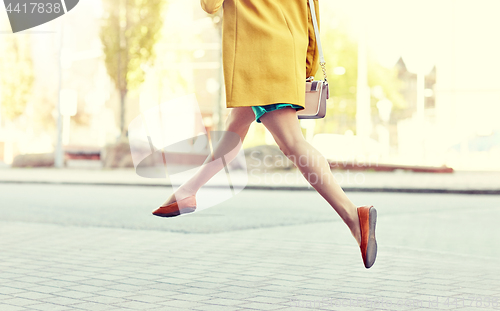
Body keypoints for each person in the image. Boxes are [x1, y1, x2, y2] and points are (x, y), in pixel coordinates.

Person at [152, 0, 377, 269]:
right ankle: (187, 192)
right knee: (234, 130)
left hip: (259, 52)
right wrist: (306, 63)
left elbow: (210, 5)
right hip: (286, 50)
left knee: (292, 143)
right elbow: (310, 9)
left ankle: (354, 216)